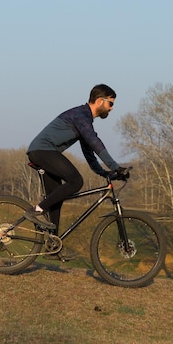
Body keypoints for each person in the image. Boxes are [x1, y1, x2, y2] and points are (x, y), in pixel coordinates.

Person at [25, 84, 128, 238]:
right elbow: (95, 142)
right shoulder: (81, 115)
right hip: (43, 151)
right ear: (100, 101)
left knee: (55, 199)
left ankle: (52, 244)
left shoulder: (84, 120)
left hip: (43, 152)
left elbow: (89, 153)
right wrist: (115, 166)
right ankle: (36, 211)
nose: (112, 108)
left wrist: (106, 173)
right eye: (110, 103)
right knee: (76, 181)